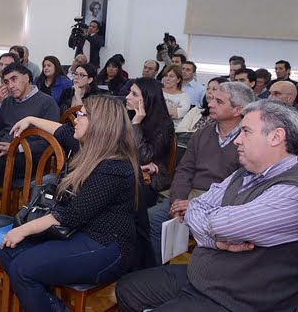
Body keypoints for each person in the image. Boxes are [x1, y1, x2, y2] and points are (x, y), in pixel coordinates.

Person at [117, 99, 298, 312]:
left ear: (276, 137)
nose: (237, 140)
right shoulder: (245, 172)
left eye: (246, 131)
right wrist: (216, 239)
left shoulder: (292, 191)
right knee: (128, 288)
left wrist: (206, 218)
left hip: (239, 298)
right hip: (204, 276)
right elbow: (198, 207)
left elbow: (223, 225)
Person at [0, 95, 140, 312]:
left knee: (22, 268)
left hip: (106, 246)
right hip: (78, 233)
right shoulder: (90, 146)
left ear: (99, 124)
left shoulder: (115, 167)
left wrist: (23, 230)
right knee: (9, 251)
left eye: (82, 115)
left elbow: (70, 215)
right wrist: (31, 119)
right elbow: (61, 131)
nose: (75, 119)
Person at [148, 82, 254, 264]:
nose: (210, 104)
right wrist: (177, 202)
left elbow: (243, 186)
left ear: (238, 110)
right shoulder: (202, 133)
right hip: (188, 196)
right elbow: (184, 170)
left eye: (219, 101)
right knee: (150, 219)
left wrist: (195, 206)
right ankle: (158, 271)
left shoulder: (250, 140)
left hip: (223, 204)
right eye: (211, 99)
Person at [0, 62, 60, 187]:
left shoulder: (47, 102)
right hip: (1, 150)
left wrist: (16, 148)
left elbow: (50, 140)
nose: (11, 86)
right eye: (6, 82)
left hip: (26, 156)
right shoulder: (7, 101)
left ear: (27, 78)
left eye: (14, 79)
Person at [126, 79, 175, 206]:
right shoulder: (127, 113)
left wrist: (136, 124)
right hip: (128, 169)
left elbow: (144, 157)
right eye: (130, 92)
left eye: (134, 94)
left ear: (147, 99)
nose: (127, 97)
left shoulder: (164, 124)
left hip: (150, 178)